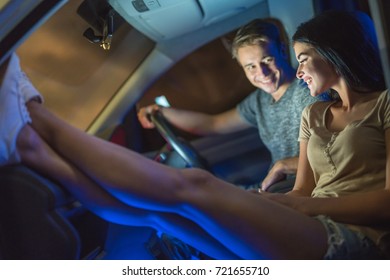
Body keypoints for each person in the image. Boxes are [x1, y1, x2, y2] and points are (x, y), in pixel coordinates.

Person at [1, 10, 390, 259]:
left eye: (300, 58)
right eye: (251, 67)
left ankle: (35, 116)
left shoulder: (382, 105)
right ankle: (28, 145)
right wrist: (287, 203)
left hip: (356, 239)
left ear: (335, 53)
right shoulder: (313, 111)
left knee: (194, 186)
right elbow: (301, 191)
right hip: (311, 223)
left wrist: (298, 205)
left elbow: (384, 203)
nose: (297, 69)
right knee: (161, 216)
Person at [138, 18, 320, 192]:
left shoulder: (306, 92)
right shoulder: (259, 100)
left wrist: (283, 166)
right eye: (251, 67)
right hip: (274, 186)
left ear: (281, 50)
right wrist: (161, 112)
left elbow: (330, 158)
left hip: (296, 190)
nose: (262, 73)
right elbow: (213, 124)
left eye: (267, 60)